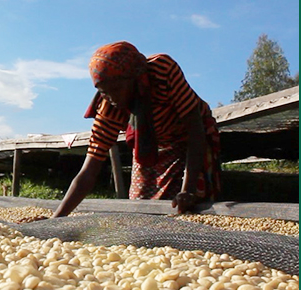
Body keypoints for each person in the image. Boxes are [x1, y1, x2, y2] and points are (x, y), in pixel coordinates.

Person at [53, 41, 223, 217]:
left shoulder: (162, 71)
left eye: (117, 89)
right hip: (152, 142)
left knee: (190, 204)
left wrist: (187, 189)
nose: (112, 98)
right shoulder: (109, 109)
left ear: (134, 78)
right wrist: (55, 219)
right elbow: (89, 171)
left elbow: (195, 129)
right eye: (104, 92)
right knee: (140, 203)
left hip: (190, 138)